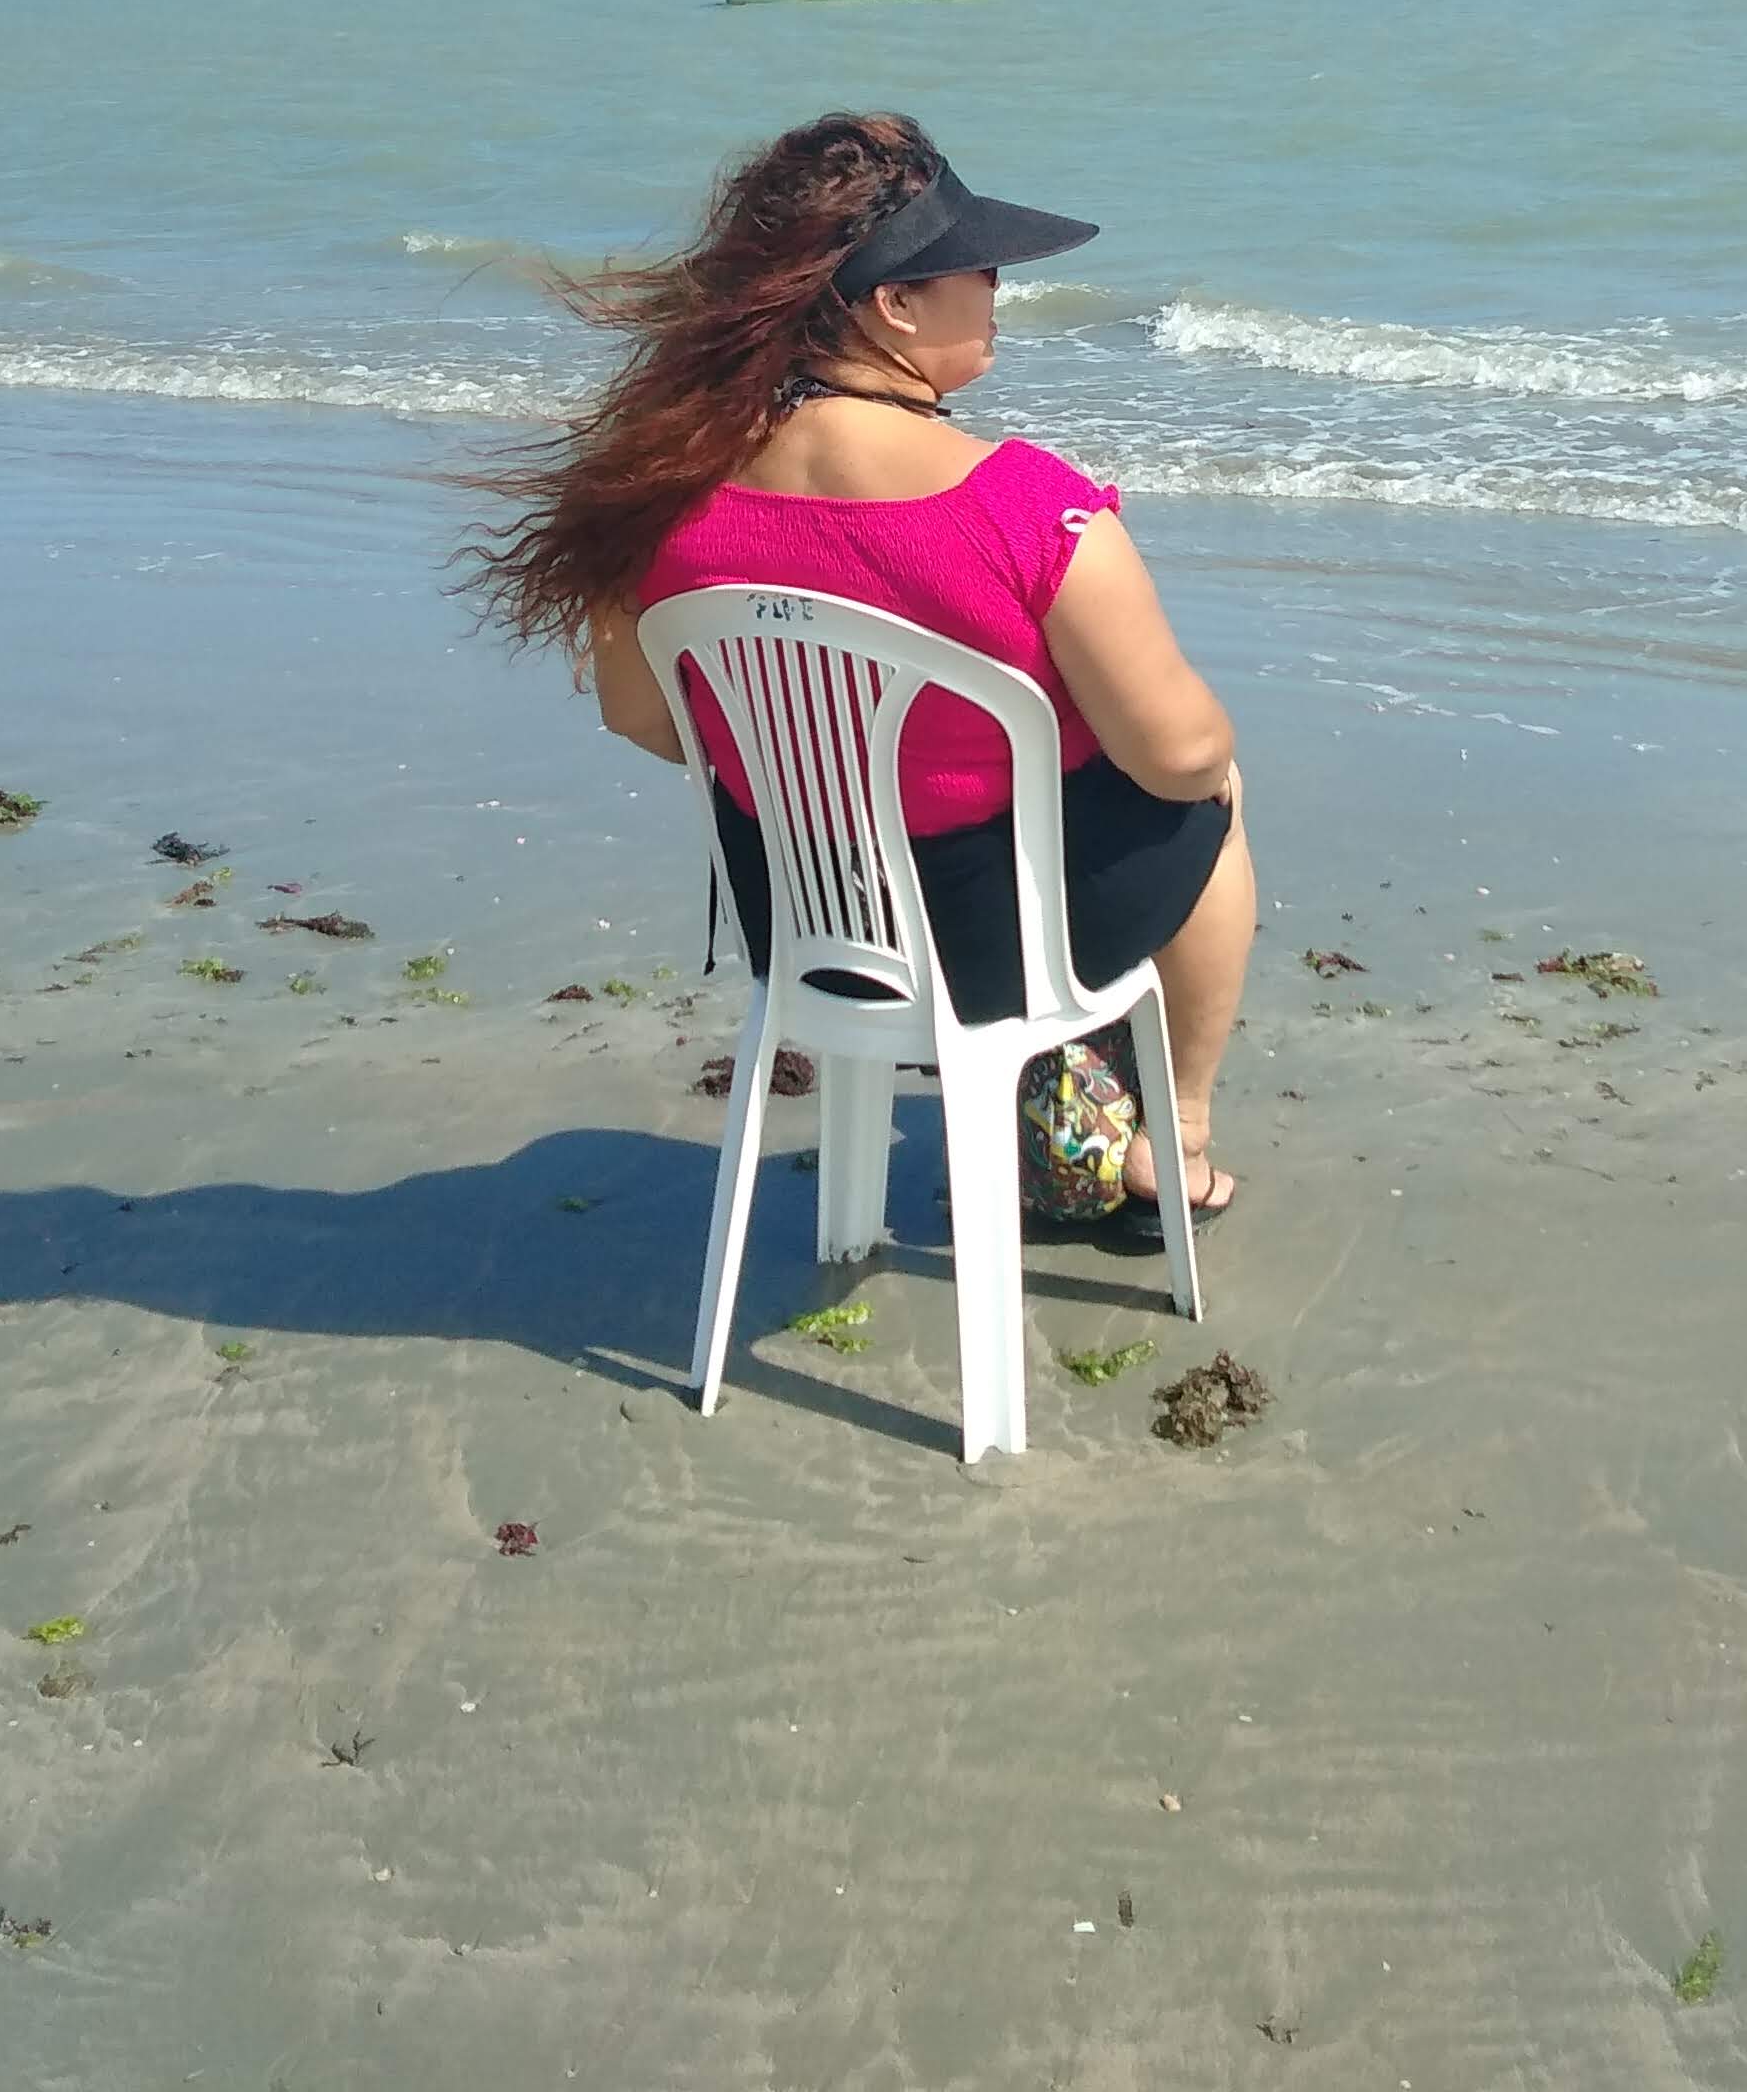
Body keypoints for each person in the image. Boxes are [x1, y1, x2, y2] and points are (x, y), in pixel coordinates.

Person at [464, 109, 1252, 1243]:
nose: (997, 291)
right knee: (1212, 796)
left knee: (1085, 801)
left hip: (809, 931)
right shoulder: (1029, 506)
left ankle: (1076, 1120)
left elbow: (645, 720)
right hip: (1000, 941)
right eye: (977, 268)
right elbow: (1181, 757)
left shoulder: (657, 494)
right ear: (895, 304)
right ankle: (1172, 1133)